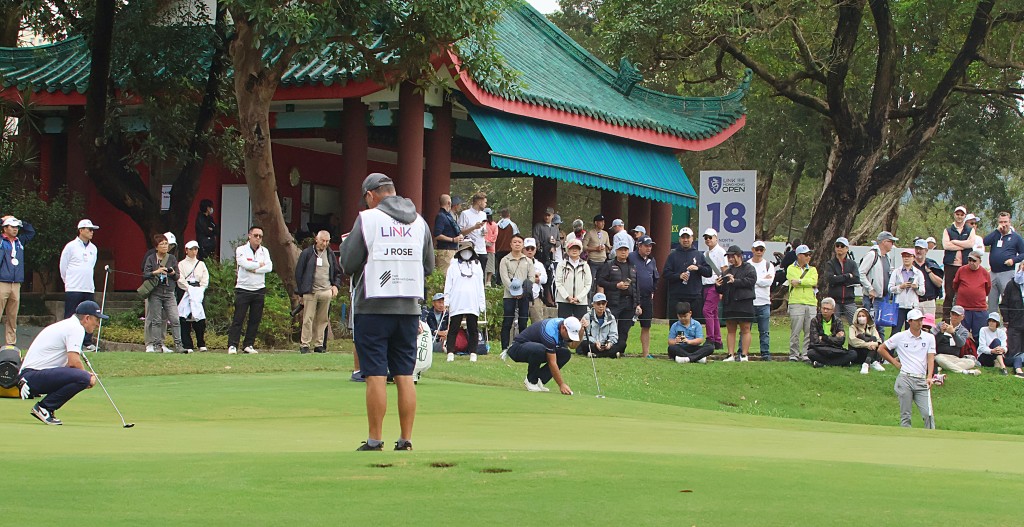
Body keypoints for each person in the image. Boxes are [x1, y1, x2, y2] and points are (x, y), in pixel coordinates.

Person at [340, 173, 434, 451]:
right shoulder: (420, 222)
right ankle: (405, 439)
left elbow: (348, 262)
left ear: (371, 195)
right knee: (405, 374)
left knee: (376, 374)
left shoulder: (367, 219)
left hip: (373, 305)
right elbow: (428, 265)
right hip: (408, 307)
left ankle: (375, 439)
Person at [18, 300, 107, 425]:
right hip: (31, 377)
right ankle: (45, 408)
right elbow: (73, 362)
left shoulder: (69, 325)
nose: (97, 324)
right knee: (83, 378)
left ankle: (46, 408)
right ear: (87, 318)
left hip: (30, 377)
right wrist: (87, 377)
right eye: (96, 320)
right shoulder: (76, 328)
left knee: (81, 377)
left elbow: (66, 365)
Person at [875, 309, 936, 429]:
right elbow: (881, 348)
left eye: (921, 320)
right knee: (906, 415)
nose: (920, 323)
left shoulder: (929, 338)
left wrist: (929, 376)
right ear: (909, 322)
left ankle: (931, 437)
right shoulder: (900, 337)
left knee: (928, 414)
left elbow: (930, 358)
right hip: (905, 378)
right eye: (917, 320)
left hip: (921, 379)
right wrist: (894, 363)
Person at [503, 316, 581, 394]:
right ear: (563, 328)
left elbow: (573, 346)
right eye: (569, 335)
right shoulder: (550, 332)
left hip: (537, 349)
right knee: (540, 349)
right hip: (517, 349)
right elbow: (552, 362)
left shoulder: (564, 325)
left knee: (565, 354)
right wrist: (561, 384)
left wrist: (582, 330)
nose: (569, 338)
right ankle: (531, 381)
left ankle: (539, 379)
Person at [228, 226, 273, 355]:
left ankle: (248, 344)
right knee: (238, 318)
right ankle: (232, 345)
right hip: (243, 288)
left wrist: (255, 269)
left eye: (260, 236)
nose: (258, 238)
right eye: (256, 235)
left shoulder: (264, 251)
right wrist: (259, 264)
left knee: (255, 319)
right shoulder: (241, 249)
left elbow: (269, 267)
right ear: (249, 236)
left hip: (259, 288)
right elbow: (245, 264)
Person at [295, 231, 341, 354]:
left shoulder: (330, 254)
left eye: (327, 241)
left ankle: (319, 344)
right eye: (322, 241)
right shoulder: (307, 253)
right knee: (308, 318)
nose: (324, 244)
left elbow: (337, 273)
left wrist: (335, 286)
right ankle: (305, 344)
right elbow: (299, 273)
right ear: (316, 239)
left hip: (326, 291)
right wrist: (300, 293)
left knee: (323, 319)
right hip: (310, 291)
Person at [143, 234, 187, 354]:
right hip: (155, 292)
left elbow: (177, 276)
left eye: (166, 243)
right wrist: (156, 272)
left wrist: (172, 273)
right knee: (156, 320)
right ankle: (157, 345)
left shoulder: (172, 258)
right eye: (162, 244)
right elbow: (145, 274)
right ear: (156, 247)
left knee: (175, 319)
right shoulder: (151, 258)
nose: (165, 246)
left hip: (169, 292)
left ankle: (178, 345)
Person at [59, 219, 99, 350]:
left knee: (90, 314)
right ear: (81, 230)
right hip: (73, 287)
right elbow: (63, 266)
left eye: (92, 230)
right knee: (71, 314)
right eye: (89, 229)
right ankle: (69, 341)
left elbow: (91, 265)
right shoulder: (71, 246)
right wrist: (68, 281)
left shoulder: (93, 248)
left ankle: (87, 342)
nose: (91, 232)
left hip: (88, 287)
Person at [596, 239, 640, 356]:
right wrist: (616, 285)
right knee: (611, 327)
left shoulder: (633, 266)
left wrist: (638, 303)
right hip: (614, 301)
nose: (623, 252)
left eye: (625, 250)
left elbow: (636, 286)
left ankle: (620, 350)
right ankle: (609, 348)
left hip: (629, 302)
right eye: (621, 250)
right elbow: (601, 281)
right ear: (616, 251)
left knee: (625, 329)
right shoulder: (609, 265)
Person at [444, 240, 485, 362]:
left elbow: (480, 286)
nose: (466, 253)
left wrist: (481, 302)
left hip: (472, 301)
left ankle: (473, 352)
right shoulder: (453, 267)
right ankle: (450, 352)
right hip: (457, 300)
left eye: (468, 251)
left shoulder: (477, 267)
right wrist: (447, 300)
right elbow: (448, 284)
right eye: (464, 251)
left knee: (473, 328)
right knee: (454, 327)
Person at [662, 227, 710, 326]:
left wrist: (698, 268)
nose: (685, 240)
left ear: (692, 238)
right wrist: (679, 276)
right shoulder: (672, 255)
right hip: (677, 297)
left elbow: (708, 272)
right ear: (679, 239)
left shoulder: (698, 255)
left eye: (688, 237)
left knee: (694, 326)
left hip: (694, 297)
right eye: (683, 238)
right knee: (675, 326)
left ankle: (693, 342)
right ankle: (677, 342)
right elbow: (666, 274)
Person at [717, 245, 756, 361]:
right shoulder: (727, 271)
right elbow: (722, 289)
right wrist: (718, 285)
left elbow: (751, 281)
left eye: (732, 256)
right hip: (730, 303)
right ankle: (730, 354)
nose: (730, 259)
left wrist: (735, 281)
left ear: (739, 256)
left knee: (745, 328)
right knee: (730, 329)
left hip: (744, 303)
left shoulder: (749, 268)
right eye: (728, 257)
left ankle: (744, 354)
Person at [0, 216, 35, 346]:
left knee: (12, 316)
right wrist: (3, 219)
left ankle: (10, 342)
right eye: (12, 227)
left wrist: (20, 222)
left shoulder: (20, 241)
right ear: (5, 228)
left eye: (17, 227)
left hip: (16, 283)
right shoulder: (1, 241)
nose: (15, 229)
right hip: (2, 282)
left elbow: (31, 232)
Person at [983, 211, 1024, 313]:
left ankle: (1007, 323)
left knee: (1007, 300)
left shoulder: (1016, 237)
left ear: (1010, 222)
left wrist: (1013, 260)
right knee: (992, 301)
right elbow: (985, 241)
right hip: (993, 273)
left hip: (1007, 272)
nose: (1003, 224)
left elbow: (1023, 253)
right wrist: (997, 231)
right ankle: (992, 324)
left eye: (1005, 222)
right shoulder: (996, 235)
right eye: (1001, 222)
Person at [499, 235, 532, 351]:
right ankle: (504, 348)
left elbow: (531, 278)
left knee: (523, 322)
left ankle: (523, 347)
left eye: (519, 242)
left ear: (522, 245)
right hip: (509, 295)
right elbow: (504, 277)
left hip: (524, 296)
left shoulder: (528, 261)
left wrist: (522, 292)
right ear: (511, 244)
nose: (517, 244)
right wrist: (513, 291)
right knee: (508, 321)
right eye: (515, 242)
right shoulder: (505, 260)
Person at [942, 205, 974, 322]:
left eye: (962, 215)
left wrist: (954, 242)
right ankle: (946, 318)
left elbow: (970, 244)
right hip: (951, 265)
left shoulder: (970, 230)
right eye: (958, 214)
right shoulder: (948, 230)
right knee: (949, 292)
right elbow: (946, 245)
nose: (959, 217)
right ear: (954, 215)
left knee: (964, 292)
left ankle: (963, 318)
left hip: (965, 265)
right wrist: (962, 244)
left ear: (965, 216)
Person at [177, 240, 210, 353]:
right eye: (191, 249)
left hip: (198, 290)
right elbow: (180, 278)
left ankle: (201, 342)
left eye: (196, 249)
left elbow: (205, 278)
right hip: (185, 290)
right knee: (184, 317)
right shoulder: (181, 264)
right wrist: (188, 289)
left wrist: (201, 289)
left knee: (199, 317)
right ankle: (187, 344)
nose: (194, 251)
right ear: (186, 250)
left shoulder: (201, 264)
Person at [629, 236, 659, 358]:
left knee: (646, 325)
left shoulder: (651, 260)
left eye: (650, 246)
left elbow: (655, 277)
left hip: (647, 297)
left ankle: (646, 353)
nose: (649, 248)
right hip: (632, 296)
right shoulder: (631, 257)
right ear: (639, 246)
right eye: (646, 245)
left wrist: (653, 290)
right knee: (626, 325)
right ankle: (619, 349)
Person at [787, 244, 818, 361]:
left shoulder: (813, 269)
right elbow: (792, 281)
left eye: (809, 255)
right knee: (795, 330)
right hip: (796, 302)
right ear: (799, 256)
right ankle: (793, 354)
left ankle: (806, 354)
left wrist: (800, 281)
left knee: (809, 331)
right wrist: (805, 281)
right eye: (806, 255)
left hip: (811, 303)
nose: (809, 257)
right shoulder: (791, 268)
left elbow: (814, 281)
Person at [859, 231, 897, 326]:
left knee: (881, 326)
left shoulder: (887, 257)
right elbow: (861, 273)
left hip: (884, 297)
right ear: (884, 242)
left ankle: (881, 341)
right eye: (891, 242)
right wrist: (870, 288)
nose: (893, 244)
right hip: (872, 298)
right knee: (870, 325)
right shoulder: (872, 255)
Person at [807, 297, 856, 367]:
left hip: (835, 349)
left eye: (828, 309)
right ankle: (841, 363)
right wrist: (834, 337)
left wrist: (824, 338)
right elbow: (815, 340)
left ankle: (823, 364)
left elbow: (841, 341)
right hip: (821, 349)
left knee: (853, 353)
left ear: (833, 310)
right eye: (823, 308)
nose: (825, 311)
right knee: (811, 353)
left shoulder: (838, 321)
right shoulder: (815, 321)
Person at [952, 250, 991, 340]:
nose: (971, 263)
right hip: (963, 308)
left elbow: (988, 288)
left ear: (980, 261)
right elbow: (955, 285)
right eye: (969, 260)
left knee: (979, 335)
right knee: (961, 334)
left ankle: (978, 353)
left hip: (979, 308)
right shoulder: (961, 270)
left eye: (974, 261)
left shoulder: (984, 273)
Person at [700, 229, 728, 350]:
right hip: (706, 285)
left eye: (710, 237)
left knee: (707, 311)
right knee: (714, 313)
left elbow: (724, 270)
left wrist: (722, 288)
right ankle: (717, 340)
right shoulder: (706, 253)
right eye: (706, 238)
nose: (708, 240)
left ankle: (710, 338)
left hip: (715, 285)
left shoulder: (720, 252)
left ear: (716, 238)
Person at [932, 307, 979, 375]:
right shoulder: (941, 325)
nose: (954, 317)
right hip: (940, 355)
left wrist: (953, 333)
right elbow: (933, 342)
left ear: (962, 317)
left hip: (954, 358)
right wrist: (941, 333)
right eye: (953, 314)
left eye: (957, 315)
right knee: (939, 358)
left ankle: (944, 367)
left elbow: (961, 344)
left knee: (971, 362)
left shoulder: (964, 331)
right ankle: (963, 371)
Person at [824, 236, 860, 324]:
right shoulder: (830, 263)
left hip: (849, 300)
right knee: (833, 326)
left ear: (847, 248)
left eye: (842, 246)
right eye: (837, 245)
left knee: (856, 324)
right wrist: (847, 276)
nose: (839, 248)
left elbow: (856, 279)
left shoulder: (852, 264)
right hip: (835, 300)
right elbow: (831, 279)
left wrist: (838, 278)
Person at [888, 248, 925, 331]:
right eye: (904, 256)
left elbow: (922, 292)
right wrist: (901, 287)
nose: (906, 258)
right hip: (899, 305)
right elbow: (890, 288)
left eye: (909, 256)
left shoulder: (918, 273)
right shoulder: (896, 272)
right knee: (896, 330)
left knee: (911, 331)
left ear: (913, 258)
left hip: (912, 306)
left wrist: (916, 288)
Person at [749, 240, 775, 360]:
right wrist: (760, 280)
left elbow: (768, 282)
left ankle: (765, 353)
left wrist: (754, 280)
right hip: (749, 302)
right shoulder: (747, 265)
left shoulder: (768, 265)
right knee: (745, 330)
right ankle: (742, 352)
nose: (759, 252)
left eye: (761, 249)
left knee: (764, 331)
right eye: (757, 249)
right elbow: (746, 281)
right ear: (752, 250)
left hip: (764, 302)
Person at [554, 239, 592, 319]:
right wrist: (567, 297)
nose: (574, 250)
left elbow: (588, 284)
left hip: (581, 302)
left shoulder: (585, 266)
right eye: (572, 248)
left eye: (577, 248)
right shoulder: (561, 265)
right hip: (564, 301)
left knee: (580, 326)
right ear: (568, 250)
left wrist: (579, 298)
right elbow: (558, 282)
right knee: (563, 326)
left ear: (580, 250)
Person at [998, 263, 1024, 376]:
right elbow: (1004, 304)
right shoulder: (1011, 284)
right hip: (1014, 324)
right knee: (1013, 353)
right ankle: (1016, 367)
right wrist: (1006, 319)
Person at [577, 293, 619, 358]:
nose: (601, 306)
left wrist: (609, 343)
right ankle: (611, 354)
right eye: (598, 303)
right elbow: (584, 336)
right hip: (593, 344)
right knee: (584, 344)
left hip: (606, 344)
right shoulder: (587, 317)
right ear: (593, 304)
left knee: (622, 344)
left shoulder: (611, 317)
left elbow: (614, 334)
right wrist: (595, 342)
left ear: (606, 304)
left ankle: (595, 355)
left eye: (603, 303)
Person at [532, 207, 559, 304]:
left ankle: (549, 298)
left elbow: (559, 241)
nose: (547, 217)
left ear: (552, 216)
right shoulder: (539, 226)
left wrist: (555, 244)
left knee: (550, 277)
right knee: (540, 275)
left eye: (549, 215)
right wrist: (539, 248)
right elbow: (535, 238)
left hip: (550, 256)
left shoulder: (555, 228)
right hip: (541, 255)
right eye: (545, 215)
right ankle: (541, 296)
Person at [849, 307, 886, 374]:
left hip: (869, 351)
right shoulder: (852, 327)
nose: (861, 318)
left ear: (867, 317)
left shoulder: (872, 327)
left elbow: (878, 340)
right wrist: (867, 344)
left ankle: (867, 363)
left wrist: (874, 344)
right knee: (860, 336)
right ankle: (871, 361)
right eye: (859, 316)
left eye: (863, 316)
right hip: (857, 352)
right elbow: (853, 341)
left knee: (873, 338)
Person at [433, 194, 463, 276]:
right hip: (445, 251)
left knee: (452, 276)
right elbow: (437, 235)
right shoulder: (441, 216)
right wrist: (453, 239)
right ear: (449, 203)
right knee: (444, 275)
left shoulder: (448, 216)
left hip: (452, 250)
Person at [458, 192, 489, 275]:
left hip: (482, 248)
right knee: (469, 273)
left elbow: (483, 229)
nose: (486, 204)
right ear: (479, 202)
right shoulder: (465, 214)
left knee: (481, 274)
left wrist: (484, 231)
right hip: (470, 248)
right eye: (485, 202)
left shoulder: (483, 214)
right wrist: (474, 227)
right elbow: (460, 232)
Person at [913, 238, 944, 317]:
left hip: (929, 302)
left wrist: (929, 272)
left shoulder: (932, 264)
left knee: (928, 327)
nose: (918, 251)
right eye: (916, 248)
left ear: (926, 251)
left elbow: (939, 284)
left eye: (921, 249)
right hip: (914, 301)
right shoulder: (911, 265)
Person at [523, 238, 548, 324]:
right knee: (521, 323)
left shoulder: (539, 264)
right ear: (523, 249)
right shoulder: (519, 263)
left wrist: (538, 279)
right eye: (527, 248)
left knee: (538, 323)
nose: (530, 251)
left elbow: (545, 279)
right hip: (521, 298)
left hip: (535, 298)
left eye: (532, 248)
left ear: (535, 250)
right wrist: (534, 277)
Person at [981, 309, 1011, 374]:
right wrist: (991, 351)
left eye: (993, 321)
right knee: (996, 341)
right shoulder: (983, 330)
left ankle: (1001, 365)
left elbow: (1004, 346)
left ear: (997, 323)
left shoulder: (1002, 332)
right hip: (985, 356)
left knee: (1017, 359)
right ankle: (1003, 367)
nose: (991, 323)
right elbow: (982, 347)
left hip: (997, 354)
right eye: (989, 321)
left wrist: (1003, 350)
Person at [493, 208, 518, 276]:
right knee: (509, 268)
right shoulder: (512, 225)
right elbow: (516, 237)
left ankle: (498, 282)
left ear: (501, 215)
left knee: (499, 267)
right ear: (509, 215)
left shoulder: (497, 225)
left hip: (498, 249)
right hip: (509, 250)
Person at [483, 208, 498, 285]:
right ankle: (486, 282)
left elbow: (494, 236)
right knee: (487, 266)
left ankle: (487, 282)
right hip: (485, 248)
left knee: (488, 266)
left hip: (487, 247)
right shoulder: (483, 224)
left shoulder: (493, 225)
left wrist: (487, 242)